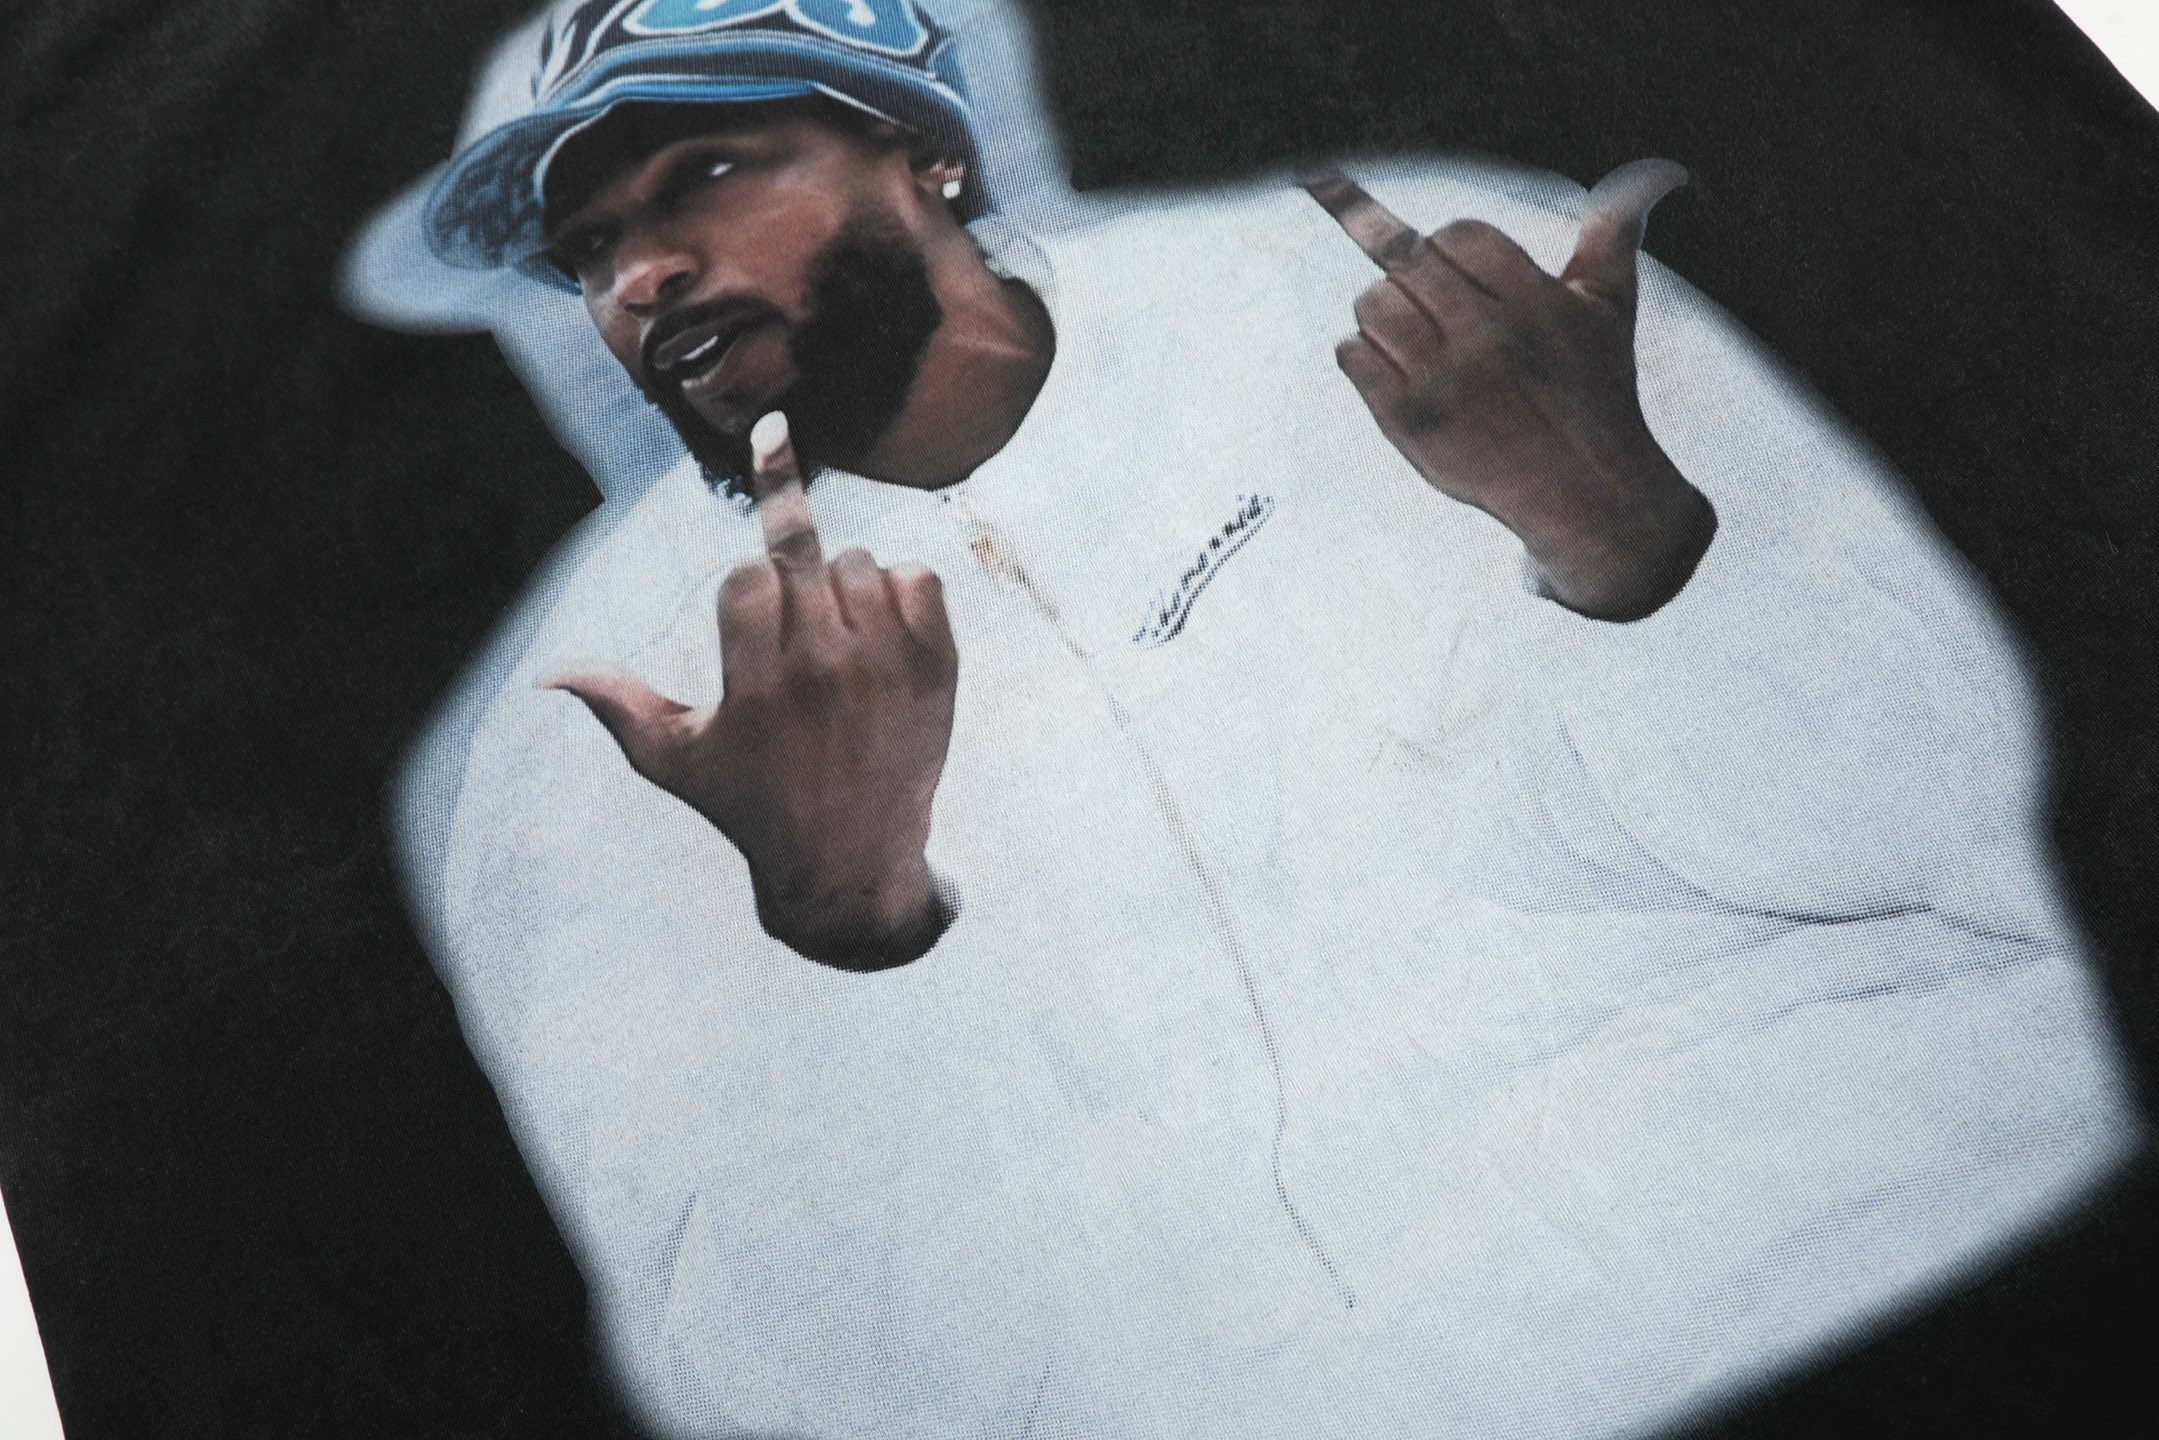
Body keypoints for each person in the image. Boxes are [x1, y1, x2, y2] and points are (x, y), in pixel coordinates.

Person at [379, 1, 2138, 1434]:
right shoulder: (604, 727)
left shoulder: (1412, 307)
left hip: (1923, 1255)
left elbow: (1935, 844)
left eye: (703, 174)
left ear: (924, 151)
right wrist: (851, 936)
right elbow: (811, 1399)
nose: (642, 278)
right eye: (588, 250)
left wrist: (1626, 541)